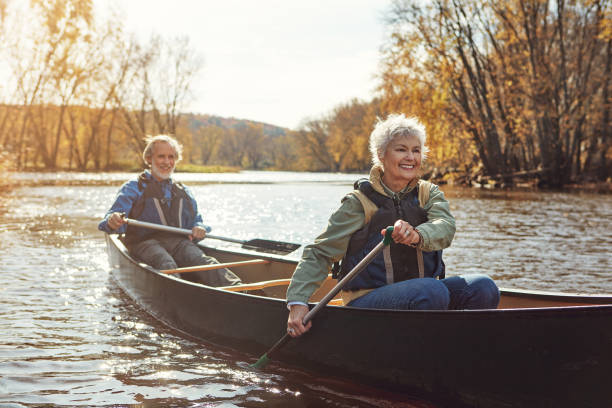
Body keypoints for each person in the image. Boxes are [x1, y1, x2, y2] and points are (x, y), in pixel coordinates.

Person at [286, 114, 499, 337]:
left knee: (483, 287)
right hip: (367, 300)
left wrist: (417, 234)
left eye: (416, 150)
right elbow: (320, 253)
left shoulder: (429, 193)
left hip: (423, 293)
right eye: (401, 149)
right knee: (431, 290)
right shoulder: (358, 203)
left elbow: (445, 227)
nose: (411, 157)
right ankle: (427, 351)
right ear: (381, 155)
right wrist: (298, 302)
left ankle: (464, 346)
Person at [98, 134, 241, 287]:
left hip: (178, 242)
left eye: (171, 157)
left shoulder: (183, 190)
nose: (166, 162)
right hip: (144, 243)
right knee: (165, 262)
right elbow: (108, 222)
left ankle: (239, 289)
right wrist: (113, 220)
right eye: (161, 157)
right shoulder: (133, 187)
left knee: (203, 261)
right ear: (149, 159)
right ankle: (181, 297)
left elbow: (196, 221)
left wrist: (199, 228)